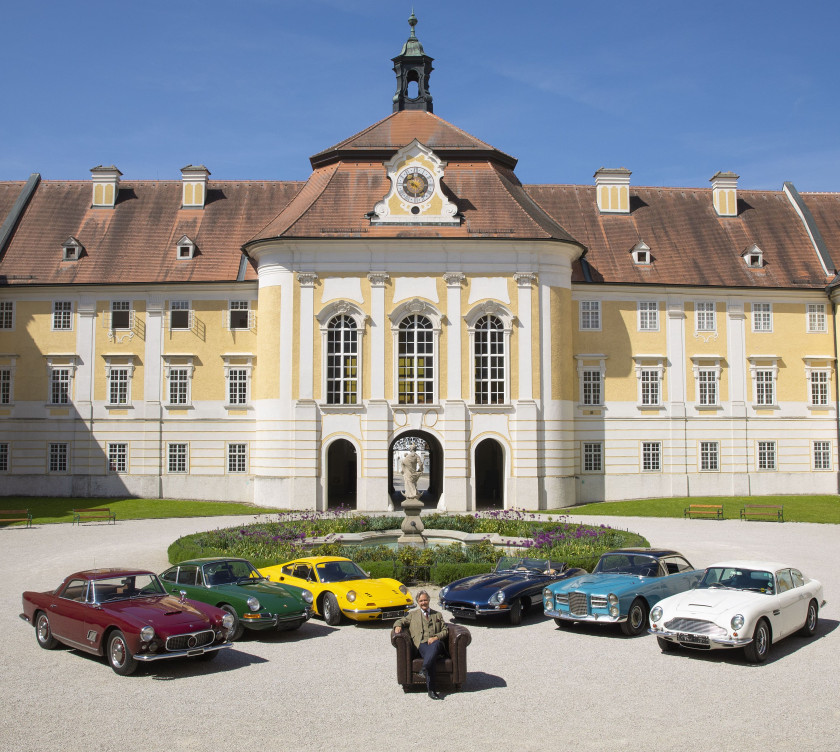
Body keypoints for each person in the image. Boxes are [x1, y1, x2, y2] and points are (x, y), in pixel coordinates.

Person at [393, 590, 448, 699]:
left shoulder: (437, 614)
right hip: (422, 644)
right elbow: (400, 621)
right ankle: (431, 690)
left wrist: (436, 637)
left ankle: (423, 669)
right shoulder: (413, 615)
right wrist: (397, 626)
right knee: (430, 657)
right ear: (418, 602)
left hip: (437, 644)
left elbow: (445, 630)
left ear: (429, 600)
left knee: (435, 646)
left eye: (425, 600)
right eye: (421, 601)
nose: (424, 603)